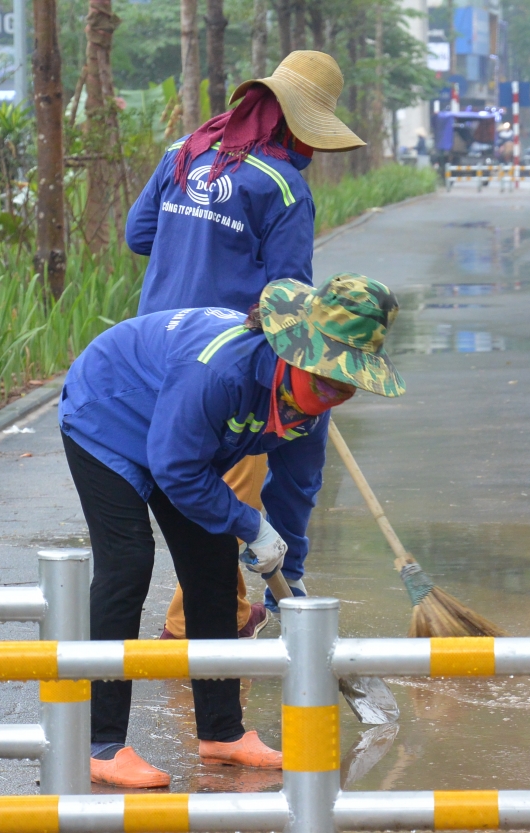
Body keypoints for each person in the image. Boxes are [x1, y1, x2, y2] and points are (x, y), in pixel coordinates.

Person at [59, 275, 405, 788]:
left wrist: (288, 574)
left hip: (180, 439)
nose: (335, 390)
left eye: (346, 383)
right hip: (109, 411)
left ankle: (222, 733)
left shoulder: (311, 413)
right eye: (325, 376)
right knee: (128, 561)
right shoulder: (220, 372)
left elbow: (296, 490)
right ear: (295, 352)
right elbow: (177, 469)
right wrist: (248, 522)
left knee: (214, 568)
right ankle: (100, 742)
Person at [124, 51, 366, 642]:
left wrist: (196, 239)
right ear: (301, 122)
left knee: (189, 473)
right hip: (229, 360)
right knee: (229, 480)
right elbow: (289, 298)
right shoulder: (283, 187)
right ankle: (193, 628)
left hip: (152, 345)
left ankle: (231, 613)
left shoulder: (182, 151)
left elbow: (138, 235)